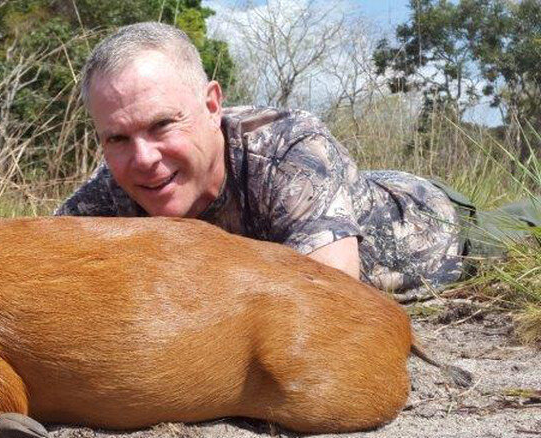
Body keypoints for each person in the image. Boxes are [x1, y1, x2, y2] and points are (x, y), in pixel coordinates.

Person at [56, 22, 539, 301]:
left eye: (162, 125)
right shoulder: (115, 183)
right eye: (116, 138)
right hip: (352, 192)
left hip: (436, 225)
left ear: (210, 104)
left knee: (524, 229)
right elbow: (38, 258)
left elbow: (327, 297)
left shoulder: (289, 144)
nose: (142, 159)